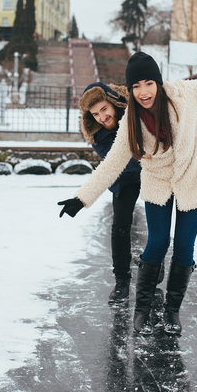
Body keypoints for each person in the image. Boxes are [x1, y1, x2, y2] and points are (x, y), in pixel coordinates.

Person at [59, 28, 197, 335]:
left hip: (193, 178)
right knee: (157, 243)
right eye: (136, 86)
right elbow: (111, 164)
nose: (143, 92)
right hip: (157, 183)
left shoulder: (186, 94)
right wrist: (82, 198)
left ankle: (171, 312)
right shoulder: (131, 121)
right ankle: (141, 311)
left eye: (149, 83)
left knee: (184, 248)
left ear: (158, 82)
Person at [78, 82, 148, 304]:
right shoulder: (97, 134)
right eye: (96, 114)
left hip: (152, 173)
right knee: (120, 226)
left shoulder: (137, 113)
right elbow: (117, 163)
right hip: (124, 177)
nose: (101, 117)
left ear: (114, 103)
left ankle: (153, 265)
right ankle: (121, 281)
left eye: (104, 110)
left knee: (159, 222)